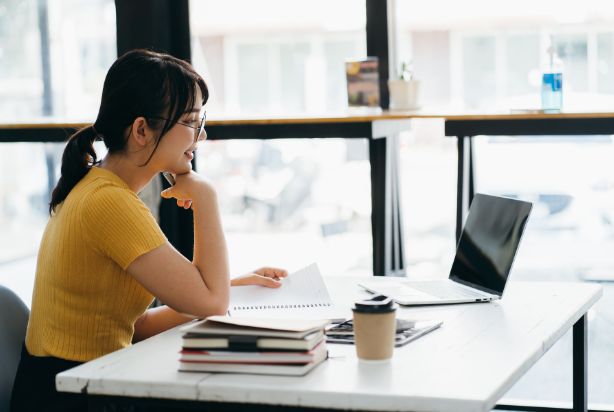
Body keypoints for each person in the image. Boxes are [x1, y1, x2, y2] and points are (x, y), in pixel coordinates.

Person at [10, 49, 287, 412]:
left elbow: (135, 324)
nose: (200, 137)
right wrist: (206, 196)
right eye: (191, 122)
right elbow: (212, 303)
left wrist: (231, 287)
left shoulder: (98, 188)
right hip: (72, 395)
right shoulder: (110, 203)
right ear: (142, 130)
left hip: (77, 383)